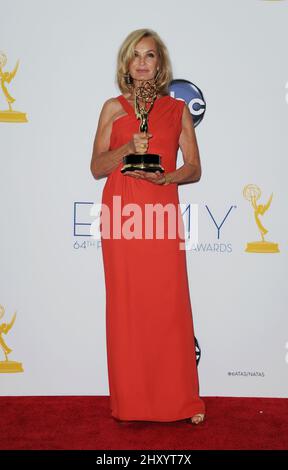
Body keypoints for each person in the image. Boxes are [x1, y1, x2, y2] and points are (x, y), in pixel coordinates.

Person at [90, 28, 205, 425]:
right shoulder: (112, 108)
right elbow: (96, 168)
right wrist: (126, 149)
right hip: (121, 215)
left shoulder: (177, 111)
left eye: (150, 55)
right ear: (126, 63)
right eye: (135, 55)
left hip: (160, 211)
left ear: (160, 63)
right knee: (127, 307)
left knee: (168, 304)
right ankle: (132, 403)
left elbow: (194, 167)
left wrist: (168, 178)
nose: (142, 62)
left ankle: (183, 401)